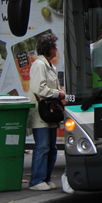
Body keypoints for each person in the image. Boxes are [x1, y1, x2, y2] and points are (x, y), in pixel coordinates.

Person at [27, 31, 64, 191]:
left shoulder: (49, 66)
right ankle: (36, 180)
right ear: (48, 48)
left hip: (48, 112)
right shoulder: (39, 65)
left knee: (51, 147)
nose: (57, 49)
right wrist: (58, 93)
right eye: (55, 46)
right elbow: (39, 88)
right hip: (40, 112)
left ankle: (46, 177)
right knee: (42, 146)